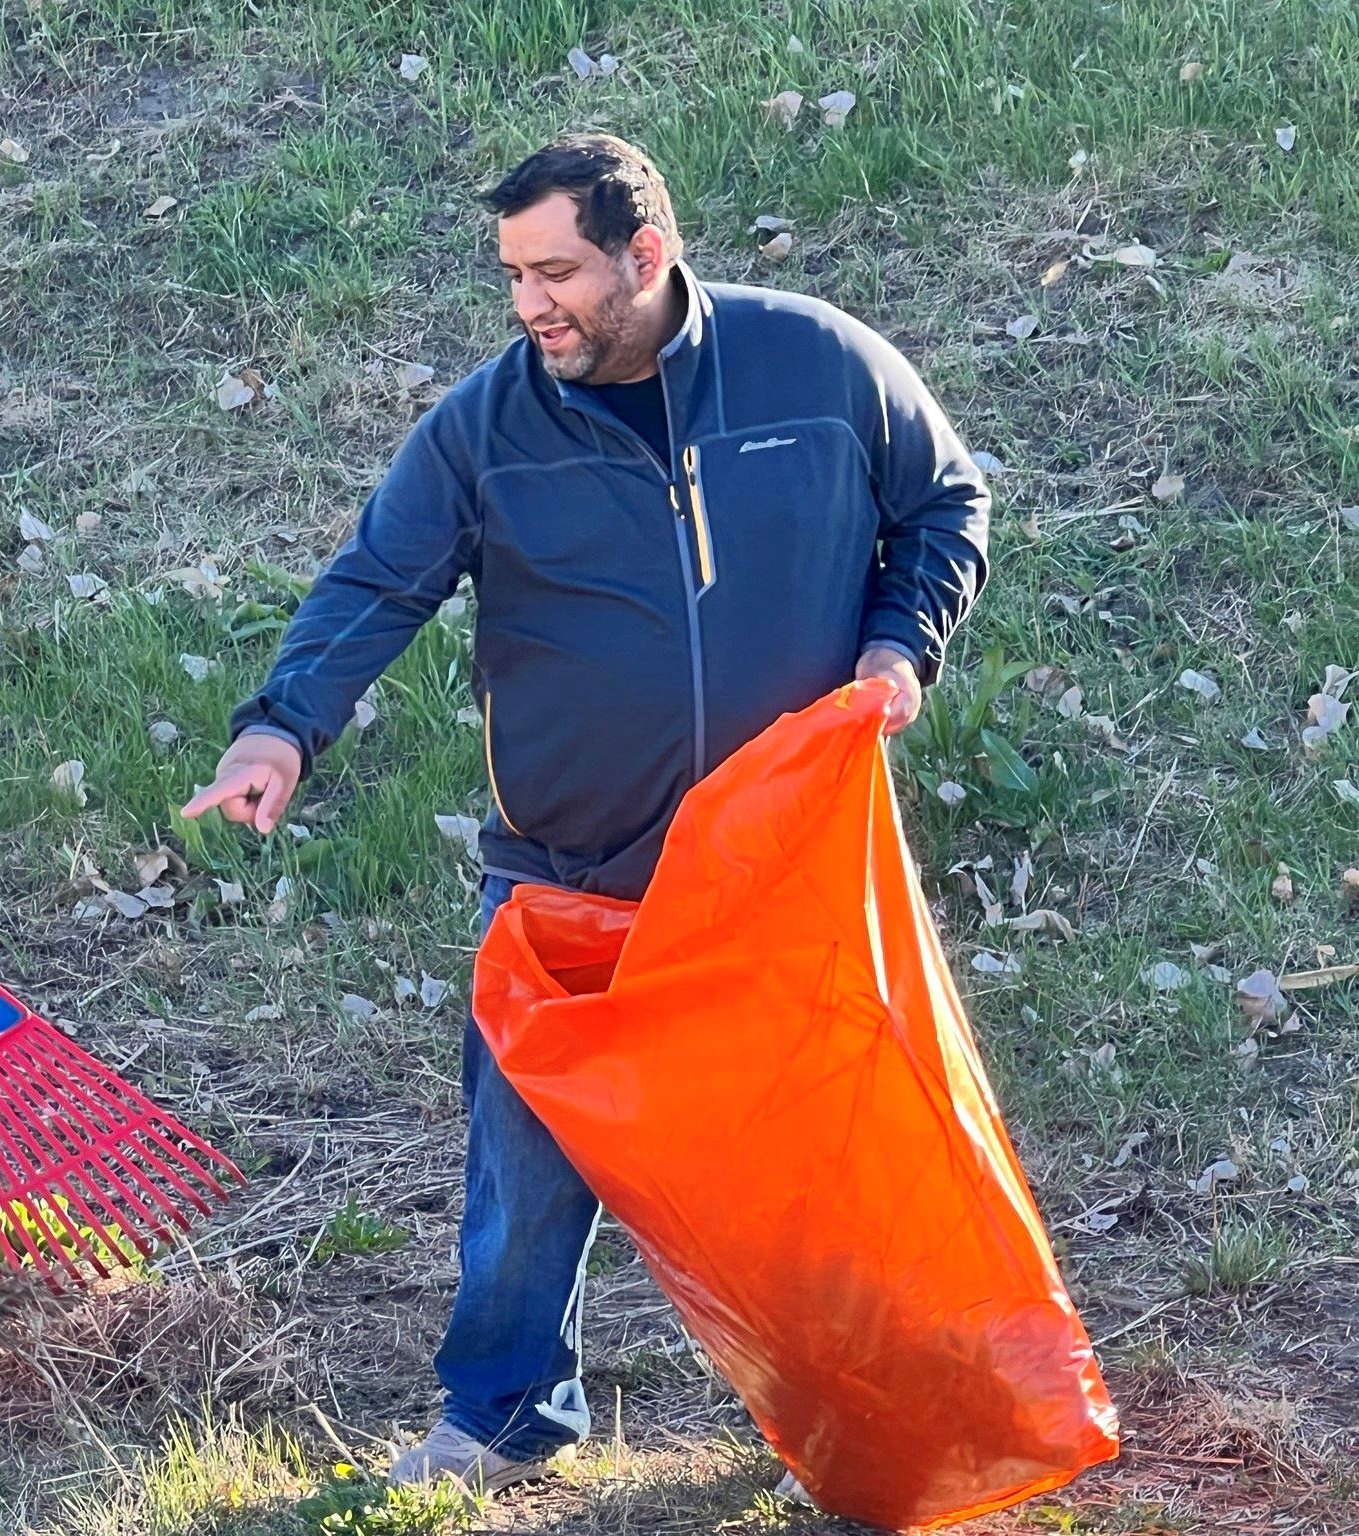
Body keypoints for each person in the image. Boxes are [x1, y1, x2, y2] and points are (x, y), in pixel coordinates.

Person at [181, 134, 990, 1493]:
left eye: (554, 271)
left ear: (646, 256)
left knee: (813, 1173)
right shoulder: (486, 426)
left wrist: (898, 642)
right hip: (568, 874)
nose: (527, 304)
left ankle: (852, 1429)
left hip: (779, 869)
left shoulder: (821, 366)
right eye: (512, 274)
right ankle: (500, 1421)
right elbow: (378, 582)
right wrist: (281, 730)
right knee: (523, 1176)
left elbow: (944, 503)